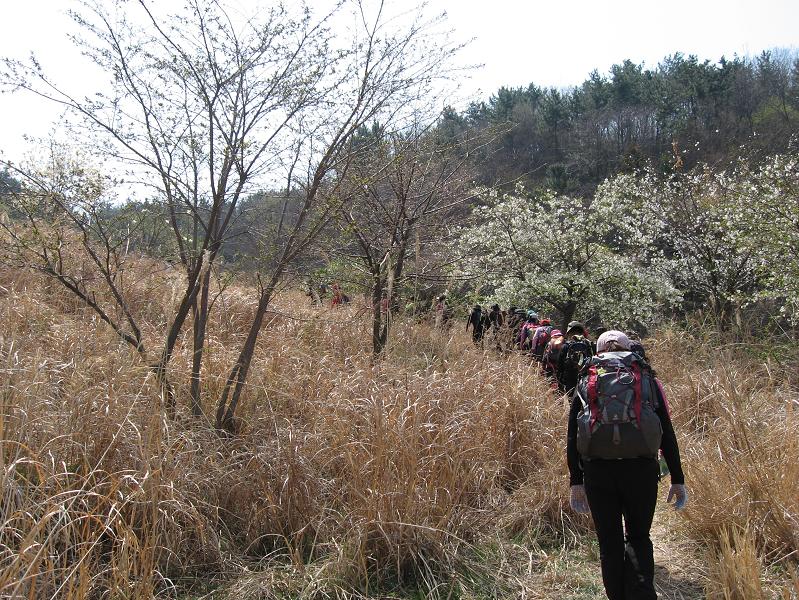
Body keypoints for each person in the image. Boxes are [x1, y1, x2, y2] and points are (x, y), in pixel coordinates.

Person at [567, 330, 687, 600]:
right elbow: (666, 431)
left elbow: (573, 433)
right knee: (639, 537)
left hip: (598, 471)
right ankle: (642, 595)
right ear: (629, 349)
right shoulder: (646, 378)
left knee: (609, 544)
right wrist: (677, 478)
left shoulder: (587, 378)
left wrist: (576, 480)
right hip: (641, 470)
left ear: (598, 351)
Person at [556, 321, 594, 395]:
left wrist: (560, 380)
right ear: (582, 332)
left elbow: (560, 365)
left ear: (569, 332)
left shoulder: (566, 346)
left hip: (570, 377)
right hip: (586, 377)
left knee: (571, 399)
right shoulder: (589, 344)